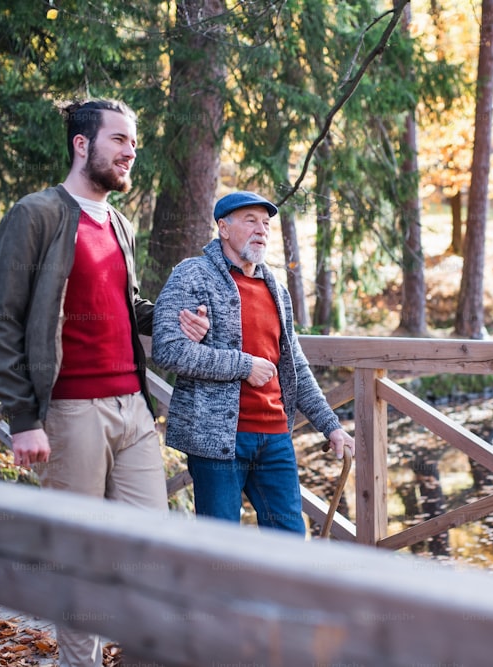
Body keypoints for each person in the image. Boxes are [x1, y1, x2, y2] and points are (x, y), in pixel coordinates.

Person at [0, 98, 207, 667]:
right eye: (120, 140)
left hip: (134, 407)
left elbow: (125, 305)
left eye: (134, 143)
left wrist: (170, 319)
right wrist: (24, 419)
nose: (132, 152)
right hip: (70, 412)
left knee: (149, 550)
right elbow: (2, 322)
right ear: (82, 144)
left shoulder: (119, 222)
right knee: (80, 556)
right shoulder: (36, 214)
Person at [151, 190, 355, 536]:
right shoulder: (192, 275)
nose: (262, 230)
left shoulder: (275, 286)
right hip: (216, 442)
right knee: (221, 548)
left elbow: (295, 367)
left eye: (266, 223)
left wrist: (331, 425)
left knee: (289, 542)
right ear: (223, 228)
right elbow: (168, 350)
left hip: (275, 438)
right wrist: (243, 366)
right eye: (250, 221)